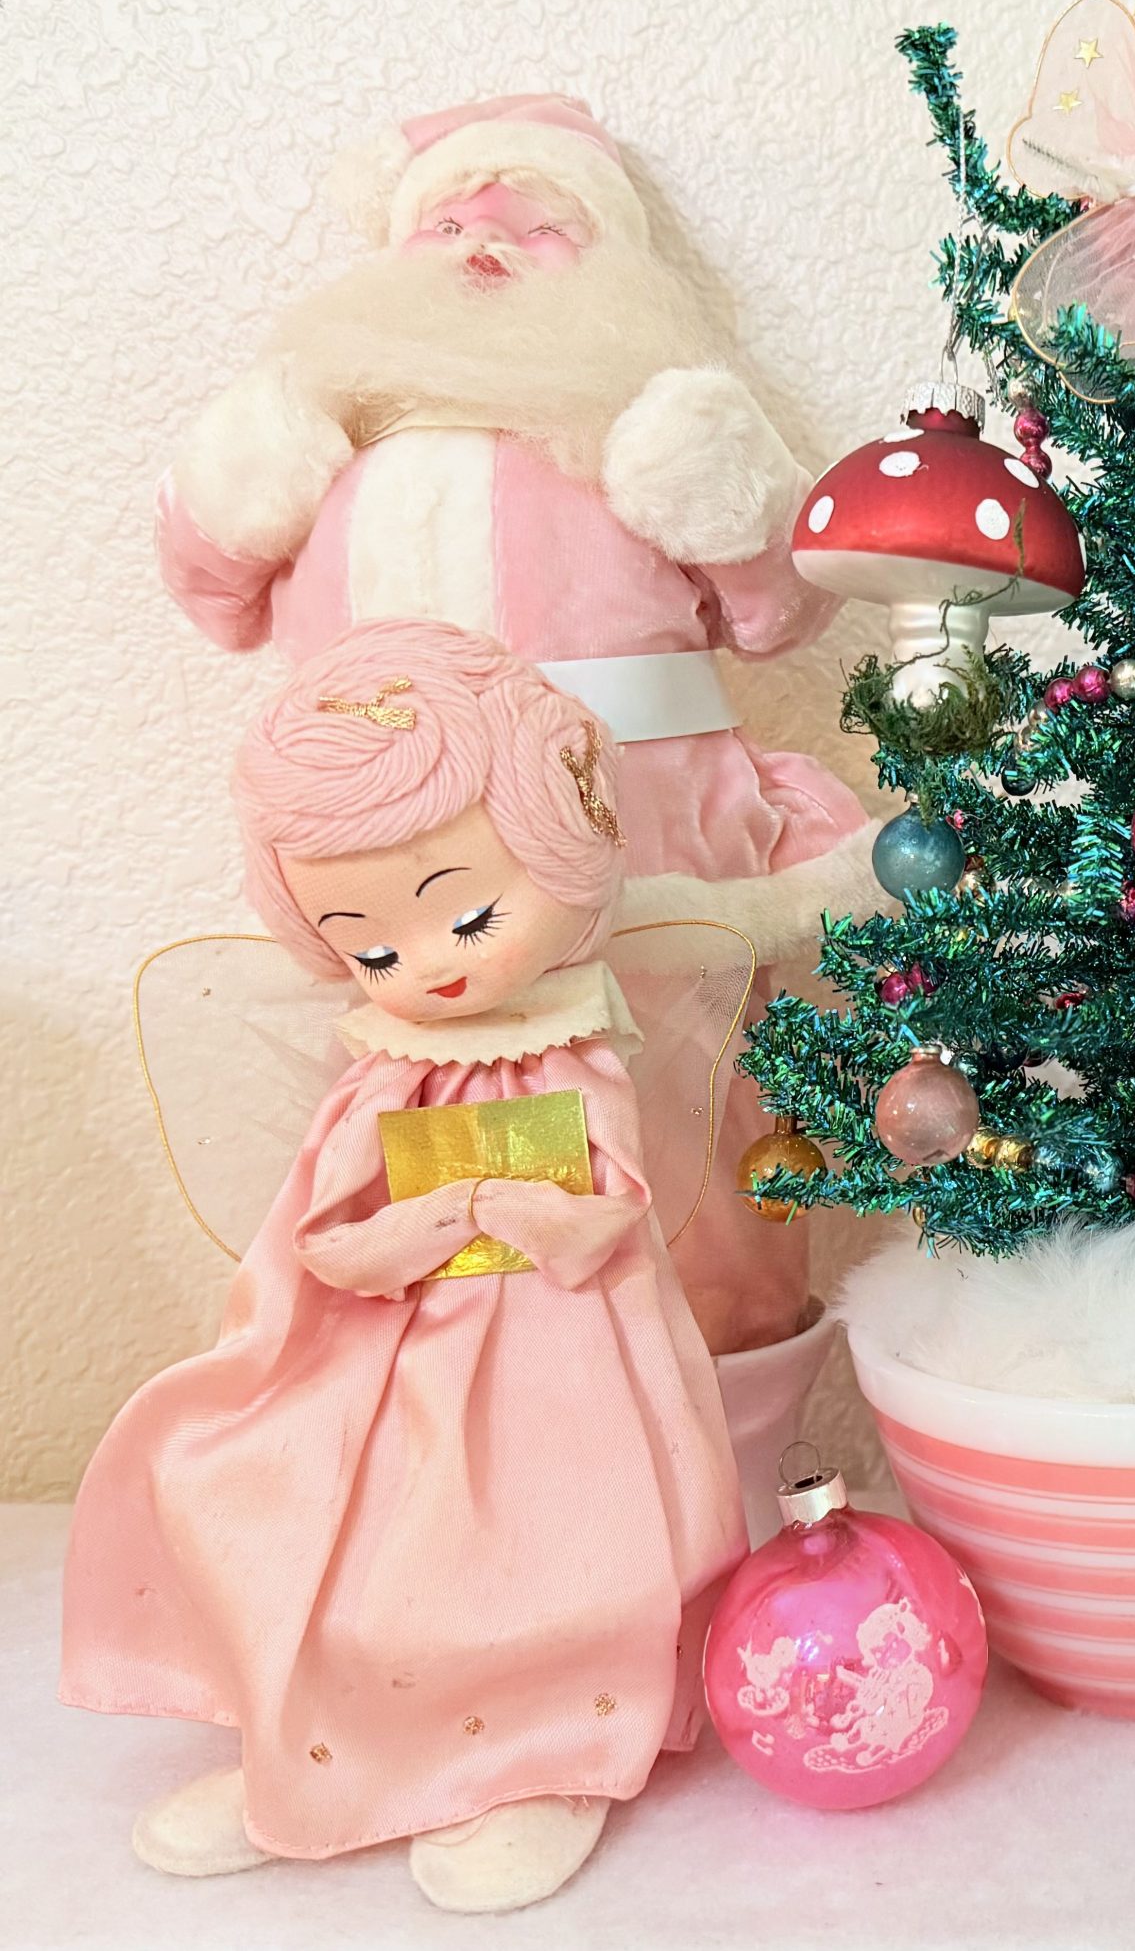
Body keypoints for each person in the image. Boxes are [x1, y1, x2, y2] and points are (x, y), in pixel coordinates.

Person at [154, 93, 873, 1358]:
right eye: (449, 219)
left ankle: (727, 1471)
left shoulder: (638, 433)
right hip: (390, 893)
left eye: (544, 224)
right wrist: (249, 459)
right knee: (412, 1175)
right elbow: (210, 589)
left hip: (649, 870)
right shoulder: (321, 439)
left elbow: (776, 610)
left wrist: (711, 469)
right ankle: (438, 1462)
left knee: (690, 1170)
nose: (487, 243)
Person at [62, 623, 745, 1911]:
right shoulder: (380, 1068)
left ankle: (541, 1754)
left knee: (543, 1529)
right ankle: (311, 1752)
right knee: (328, 1514)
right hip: (385, 1337)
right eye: (371, 947)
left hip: (560, 1342)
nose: (426, 968)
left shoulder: (574, 1042)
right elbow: (323, 1225)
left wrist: (513, 1209)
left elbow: (610, 1205)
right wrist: (409, 1232)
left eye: (469, 915)